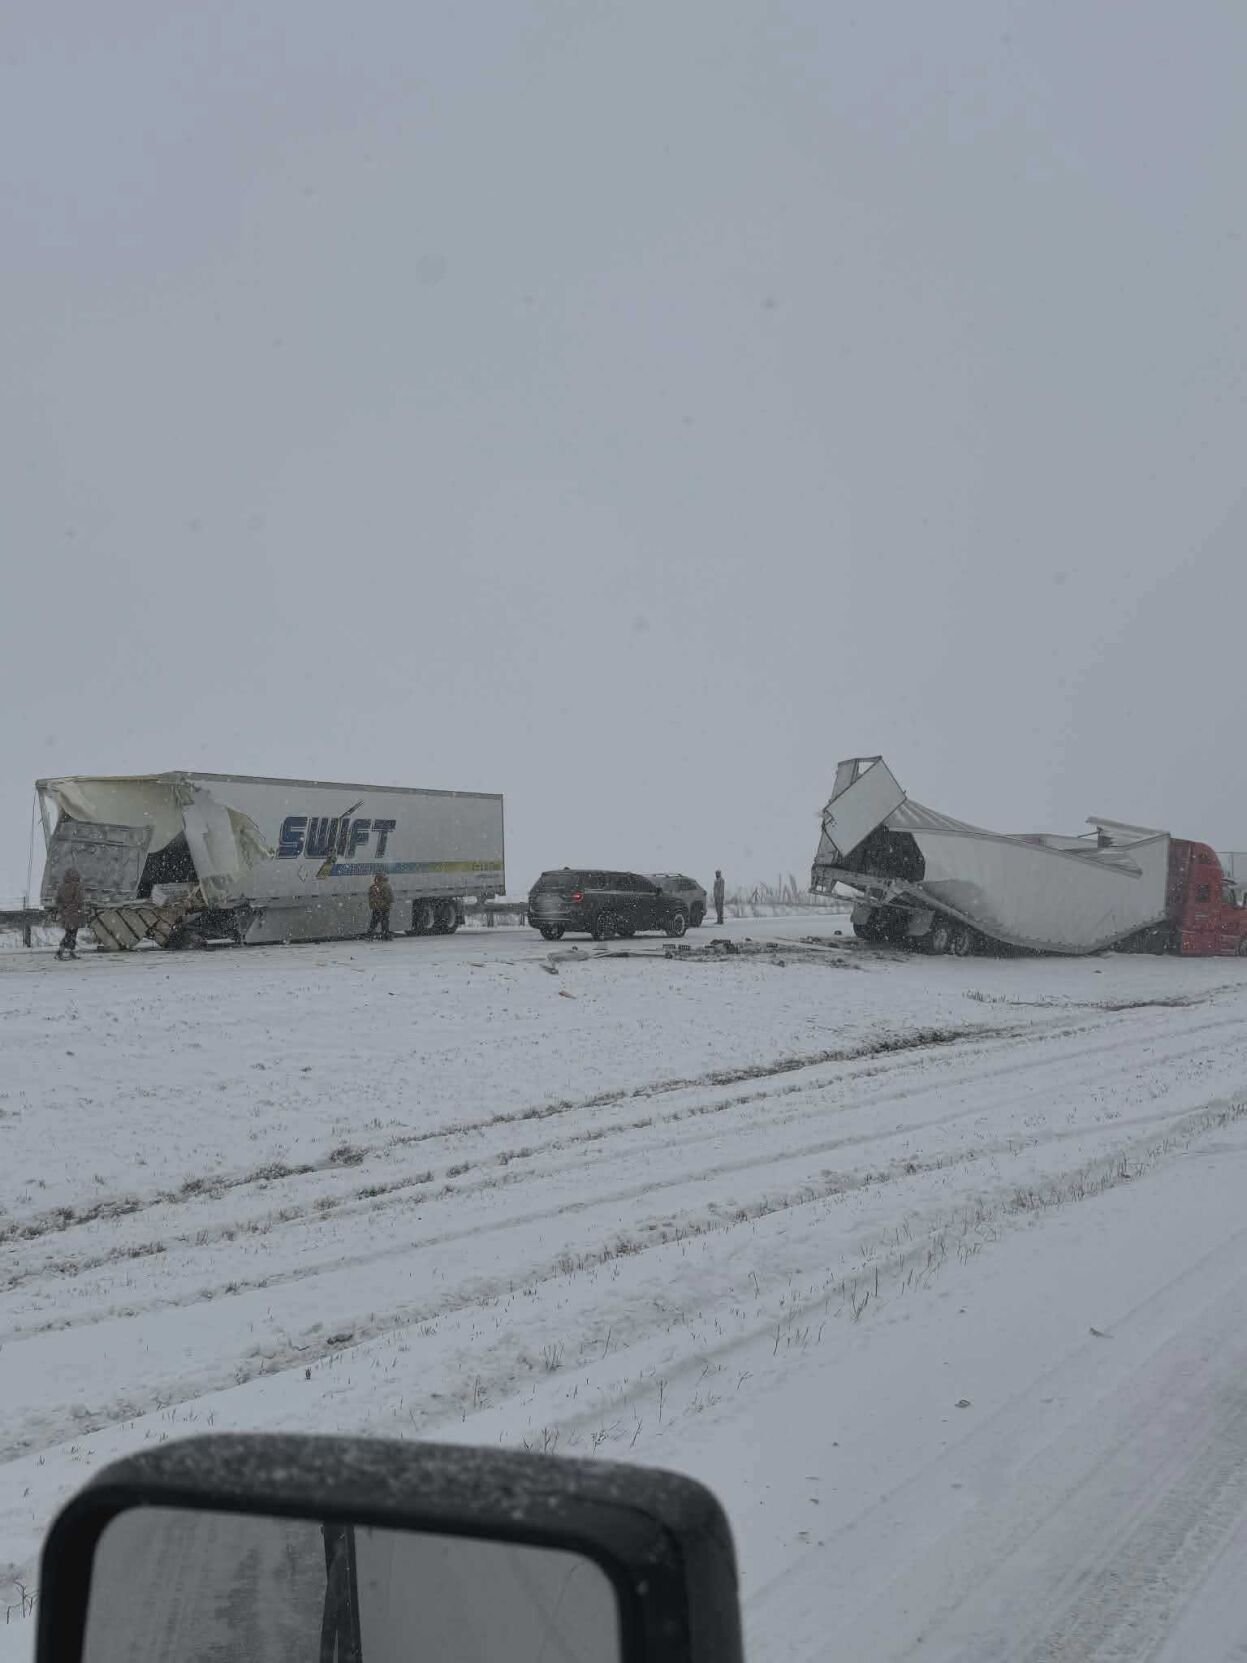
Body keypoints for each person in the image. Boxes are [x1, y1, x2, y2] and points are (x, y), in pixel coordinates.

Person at [54, 866, 84, 960]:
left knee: (69, 932)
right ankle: (62, 952)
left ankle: (66, 951)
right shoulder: (76, 886)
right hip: (74, 913)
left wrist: (62, 909)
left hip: (66, 913)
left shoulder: (61, 886)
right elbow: (79, 900)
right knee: (72, 933)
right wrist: (78, 908)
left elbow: (57, 900)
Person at [366, 871, 394, 939]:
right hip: (384, 907)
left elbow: (371, 897)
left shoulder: (373, 887)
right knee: (385, 922)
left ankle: (370, 935)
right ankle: (385, 935)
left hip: (376, 907)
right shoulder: (386, 886)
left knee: (374, 922)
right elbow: (390, 898)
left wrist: (375, 904)